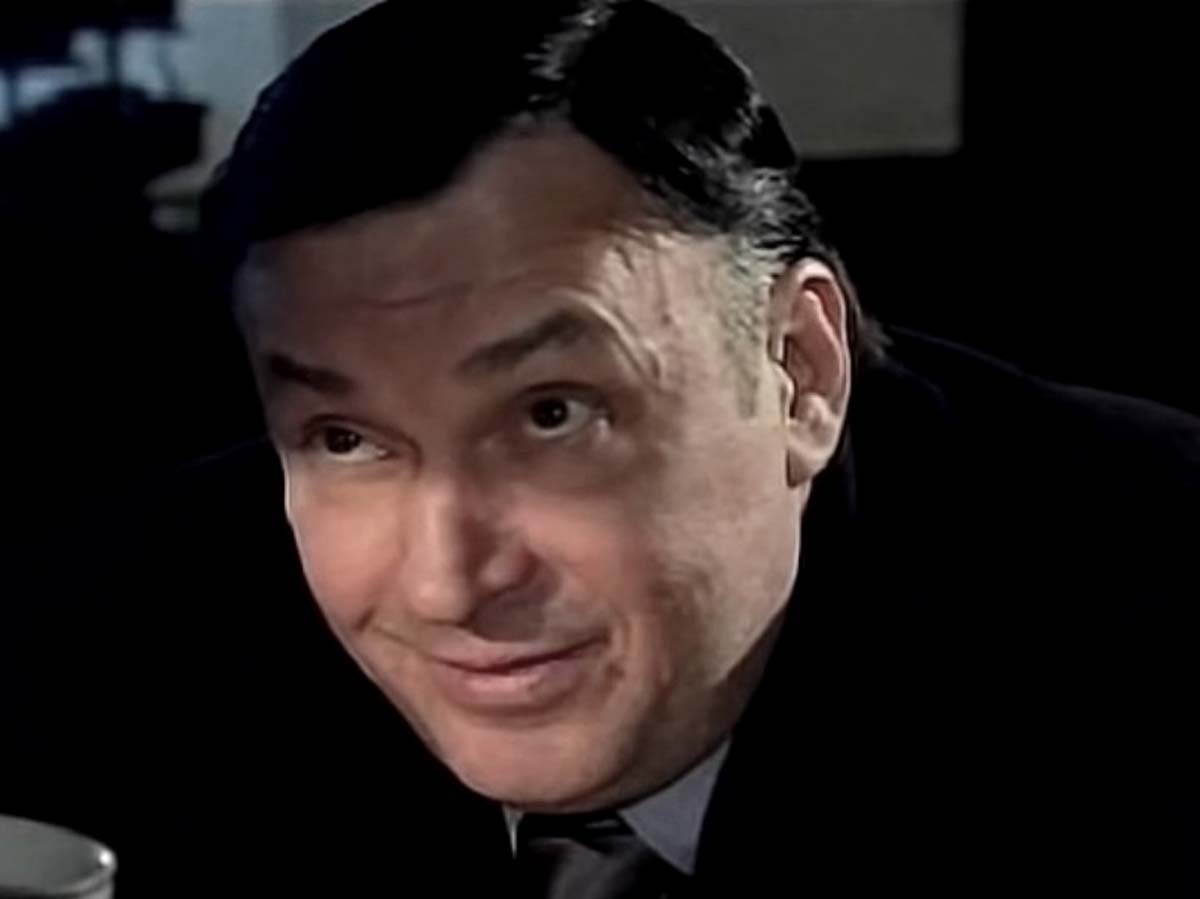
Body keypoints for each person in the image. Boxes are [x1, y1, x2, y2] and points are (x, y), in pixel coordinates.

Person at [7, 1, 1195, 896]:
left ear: (801, 372)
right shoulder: (122, 637)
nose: (449, 581)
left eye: (552, 414)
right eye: (347, 437)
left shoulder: (1143, 633)